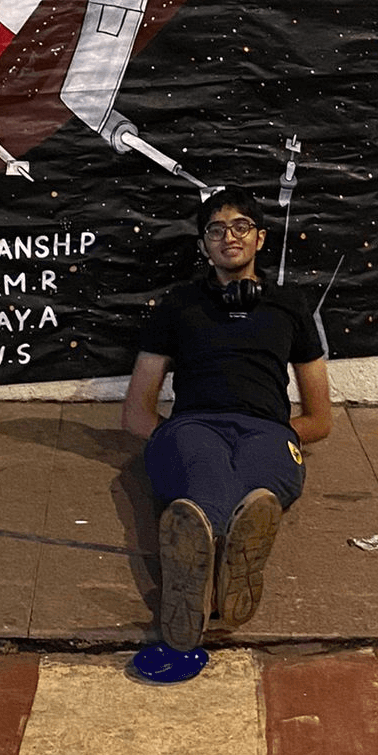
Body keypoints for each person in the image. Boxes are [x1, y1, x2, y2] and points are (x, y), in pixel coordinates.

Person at [122, 184, 332, 651]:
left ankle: (196, 591)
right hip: (195, 426)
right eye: (216, 230)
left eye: (241, 226)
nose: (229, 237)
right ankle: (216, 586)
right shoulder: (178, 305)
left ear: (260, 238)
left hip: (269, 430)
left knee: (258, 492)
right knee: (205, 481)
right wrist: (171, 441)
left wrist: (281, 435)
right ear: (203, 245)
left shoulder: (290, 306)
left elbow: (320, 419)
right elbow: (136, 412)